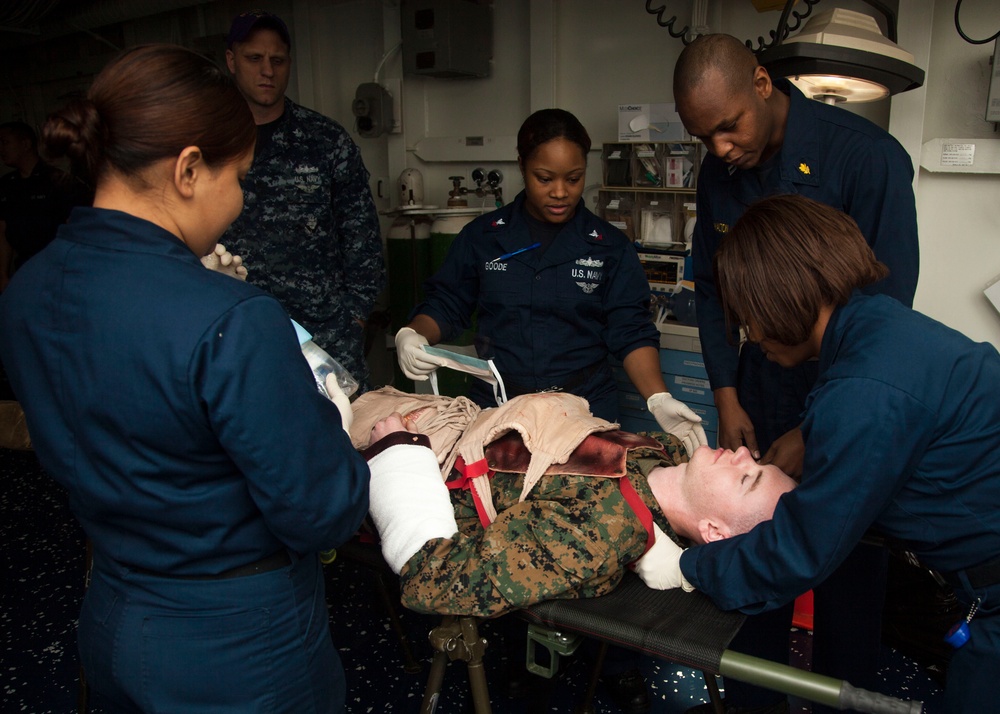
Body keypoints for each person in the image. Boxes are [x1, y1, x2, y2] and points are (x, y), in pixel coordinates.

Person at [0, 44, 369, 713]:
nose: (238, 204)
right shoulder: (233, 319)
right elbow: (321, 512)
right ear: (190, 169)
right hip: (238, 642)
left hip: (113, 611)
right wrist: (334, 419)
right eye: (240, 179)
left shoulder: (27, 291)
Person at [637, 194, 1000, 714]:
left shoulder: (863, 391)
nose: (753, 336)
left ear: (777, 296)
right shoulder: (879, 329)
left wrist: (691, 568)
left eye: (749, 317)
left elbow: (803, 549)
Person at [673, 34, 920, 712]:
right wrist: (727, 394)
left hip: (847, 393)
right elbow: (714, 290)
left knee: (846, 570)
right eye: (704, 138)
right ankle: (753, 701)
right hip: (760, 384)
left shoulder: (867, 158)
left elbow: (885, 314)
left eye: (729, 127)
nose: (721, 149)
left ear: (761, 83)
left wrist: (818, 431)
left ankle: (849, 701)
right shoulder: (719, 170)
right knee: (756, 577)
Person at [395, 107, 708, 457]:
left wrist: (657, 396)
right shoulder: (482, 238)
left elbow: (630, 329)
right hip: (499, 407)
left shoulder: (609, 247)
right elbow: (446, 304)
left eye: (573, 179)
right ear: (522, 165)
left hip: (585, 409)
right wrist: (413, 334)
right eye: (545, 178)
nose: (560, 192)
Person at [351, 388, 795, 617]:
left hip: (389, 447)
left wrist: (397, 456)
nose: (739, 454)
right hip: (436, 411)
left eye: (747, 479)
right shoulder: (666, 452)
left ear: (714, 531)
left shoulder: (589, 535)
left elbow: (432, 579)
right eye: (754, 459)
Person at [222, 9, 385, 391]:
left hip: (325, 338)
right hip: (238, 336)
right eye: (254, 59)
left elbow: (362, 239)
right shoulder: (211, 143)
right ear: (231, 60)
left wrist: (353, 317)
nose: (267, 71)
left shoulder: (324, 140)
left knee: (345, 438)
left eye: (277, 60)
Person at [0, 120, 91, 291]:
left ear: (25, 143)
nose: (1, 149)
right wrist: (2, 274)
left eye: (5, 142)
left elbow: (80, 228)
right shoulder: (6, 185)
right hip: (26, 267)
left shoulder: (57, 181)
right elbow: (3, 230)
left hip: (60, 267)